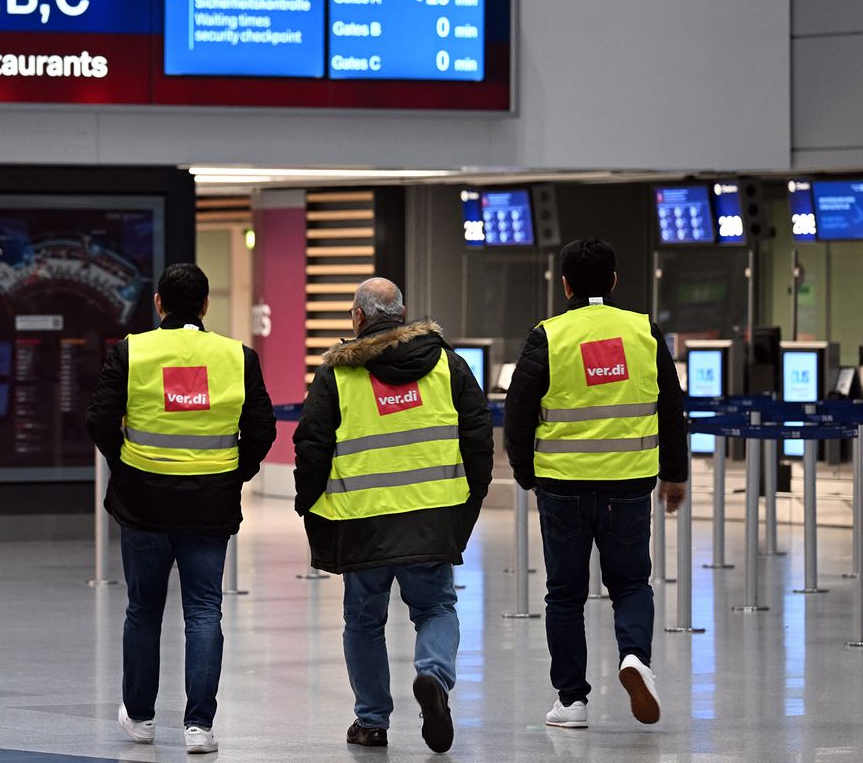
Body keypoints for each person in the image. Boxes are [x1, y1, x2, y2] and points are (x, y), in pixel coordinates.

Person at [293, 277, 493, 754]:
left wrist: (308, 506)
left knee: (363, 622)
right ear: (402, 315)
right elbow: (480, 435)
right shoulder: (447, 363)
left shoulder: (339, 374)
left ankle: (371, 721)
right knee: (436, 607)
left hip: (362, 524)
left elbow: (312, 446)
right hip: (431, 516)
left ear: (358, 319)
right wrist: (469, 500)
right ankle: (433, 677)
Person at [86, 263, 276, 755]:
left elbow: (100, 420)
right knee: (204, 610)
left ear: (158, 304)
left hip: (143, 500)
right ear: (207, 305)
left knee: (143, 609)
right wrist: (236, 472)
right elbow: (262, 430)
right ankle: (199, 727)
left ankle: (142, 718)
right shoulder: (238, 356)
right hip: (210, 504)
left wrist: (124, 464)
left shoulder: (132, 351)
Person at [503, 238, 687, 730]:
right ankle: (634, 658)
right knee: (630, 583)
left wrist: (526, 473)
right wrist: (675, 474)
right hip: (629, 483)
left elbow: (517, 413)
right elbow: (671, 409)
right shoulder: (644, 331)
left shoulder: (548, 336)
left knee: (565, 593)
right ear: (613, 280)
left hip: (562, 485)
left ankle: (572, 701)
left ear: (564, 284)